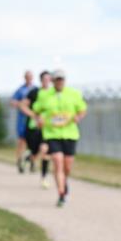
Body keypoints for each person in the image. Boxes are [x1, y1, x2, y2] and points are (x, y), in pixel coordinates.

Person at [31, 70, 87, 207]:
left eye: (62, 79)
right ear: (53, 81)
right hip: (52, 134)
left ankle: (64, 181)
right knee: (57, 161)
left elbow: (82, 109)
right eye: (57, 79)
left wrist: (78, 117)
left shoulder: (73, 94)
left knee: (67, 166)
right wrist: (39, 119)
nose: (60, 82)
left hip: (70, 133)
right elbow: (36, 110)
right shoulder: (44, 95)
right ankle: (61, 194)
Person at [21, 71, 53, 186]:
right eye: (44, 79)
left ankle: (44, 178)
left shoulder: (54, 93)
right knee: (35, 151)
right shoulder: (34, 92)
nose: (47, 81)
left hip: (48, 127)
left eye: (49, 79)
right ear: (41, 80)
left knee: (45, 150)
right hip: (34, 126)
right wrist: (34, 115)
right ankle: (28, 157)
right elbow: (23, 105)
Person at [10, 70, 36, 173]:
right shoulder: (20, 90)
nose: (29, 78)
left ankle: (31, 162)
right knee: (22, 141)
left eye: (30, 77)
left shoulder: (36, 89)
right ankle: (20, 160)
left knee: (34, 143)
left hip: (34, 119)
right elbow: (12, 102)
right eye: (27, 77)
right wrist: (22, 104)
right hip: (23, 119)